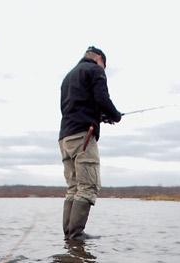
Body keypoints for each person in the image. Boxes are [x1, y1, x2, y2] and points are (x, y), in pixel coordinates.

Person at [59, 46, 122, 240]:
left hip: (65, 137)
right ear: (99, 59)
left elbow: (78, 106)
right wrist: (115, 116)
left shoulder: (68, 77)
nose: (104, 69)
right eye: (104, 65)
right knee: (87, 186)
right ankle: (76, 234)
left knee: (73, 187)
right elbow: (102, 98)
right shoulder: (95, 70)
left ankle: (69, 234)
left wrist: (100, 116)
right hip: (83, 136)